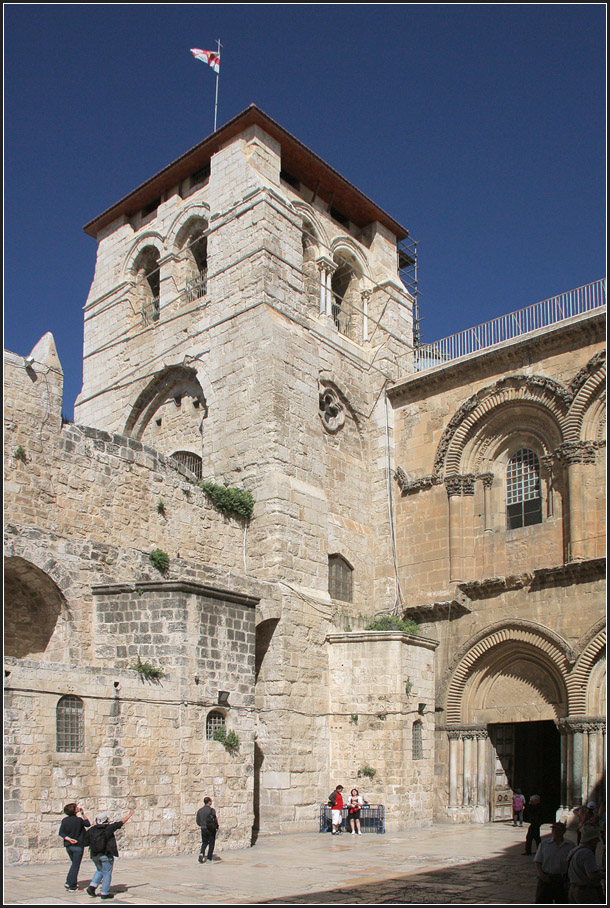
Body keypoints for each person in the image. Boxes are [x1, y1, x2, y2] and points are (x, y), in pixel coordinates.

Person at [86, 807, 134, 900]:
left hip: (95, 855)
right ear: (105, 820)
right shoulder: (108, 828)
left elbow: (85, 840)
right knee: (107, 873)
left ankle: (92, 887)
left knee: (99, 870)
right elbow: (121, 823)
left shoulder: (92, 830)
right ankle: (104, 893)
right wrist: (130, 814)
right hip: (106, 855)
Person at [533, 821, 573, 903]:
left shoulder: (570, 845)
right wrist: (541, 874)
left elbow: (572, 863)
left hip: (562, 879)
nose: (555, 832)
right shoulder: (544, 844)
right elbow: (538, 861)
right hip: (546, 878)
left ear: (563, 831)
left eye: (558, 830)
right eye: (554, 830)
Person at [566, 825, 604, 903]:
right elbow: (592, 875)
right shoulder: (587, 853)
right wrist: (604, 875)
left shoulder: (574, 850)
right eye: (596, 839)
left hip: (573, 889)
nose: (598, 842)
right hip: (585, 891)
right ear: (591, 840)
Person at [58, 802, 91, 892]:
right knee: (75, 866)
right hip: (78, 846)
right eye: (76, 807)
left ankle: (69, 882)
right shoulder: (79, 820)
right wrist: (83, 814)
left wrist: (68, 839)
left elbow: (61, 833)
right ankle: (72, 886)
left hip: (68, 846)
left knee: (74, 865)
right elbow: (88, 824)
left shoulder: (64, 820)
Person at [196, 797, 219, 863]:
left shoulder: (200, 810)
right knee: (211, 843)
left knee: (204, 842)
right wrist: (216, 826)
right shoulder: (212, 810)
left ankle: (201, 853)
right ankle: (209, 858)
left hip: (203, 828)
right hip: (211, 829)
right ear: (209, 802)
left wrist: (202, 825)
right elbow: (214, 819)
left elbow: (198, 821)